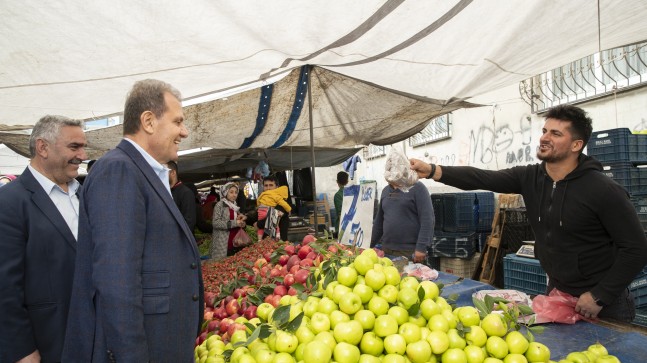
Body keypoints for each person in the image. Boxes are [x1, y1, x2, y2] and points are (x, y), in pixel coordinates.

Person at [410, 104, 647, 322]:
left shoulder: (603, 189)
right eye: (544, 130)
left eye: (556, 133)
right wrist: (432, 170)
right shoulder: (530, 178)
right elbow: (482, 177)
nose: (544, 137)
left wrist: (599, 295)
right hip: (558, 292)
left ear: (576, 145)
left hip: (604, 302)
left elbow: (636, 248)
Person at [63, 79, 203, 362]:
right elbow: (117, 283)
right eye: (178, 122)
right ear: (149, 121)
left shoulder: (145, 172)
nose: (184, 132)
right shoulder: (119, 171)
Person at [0, 115, 87, 363]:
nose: (82, 155)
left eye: (83, 147)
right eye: (74, 147)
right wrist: (21, 351)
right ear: (43, 147)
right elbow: (5, 288)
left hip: (89, 338)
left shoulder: (85, 195)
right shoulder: (9, 203)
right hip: (46, 344)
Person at [371, 178, 435, 264]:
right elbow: (379, 223)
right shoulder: (385, 191)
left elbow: (427, 219)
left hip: (409, 252)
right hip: (386, 250)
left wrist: (421, 247)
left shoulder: (418, 188)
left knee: (407, 277)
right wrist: (368, 245)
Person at [212, 182, 247, 259]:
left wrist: (242, 221)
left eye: (236, 192)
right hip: (223, 242)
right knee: (221, 264)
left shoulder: (234, 205)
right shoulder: (220, 205)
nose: (234, 195)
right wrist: (234, 223)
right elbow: (215, 223)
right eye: (231, 192)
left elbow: (236, 220)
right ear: (225, 192)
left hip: (235, 240)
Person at [168, 160, 197, 232]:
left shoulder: (186, 193)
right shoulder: (166, 191)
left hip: (179, 240)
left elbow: (189, 222)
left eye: (164, 172)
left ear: (173, 173)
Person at [334, 171, 349, 237]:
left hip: (341, 229)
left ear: (337, 181)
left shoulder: (337, 195)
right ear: (347, 181)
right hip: (350, 226)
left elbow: (340, 214)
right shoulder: (351, 193)